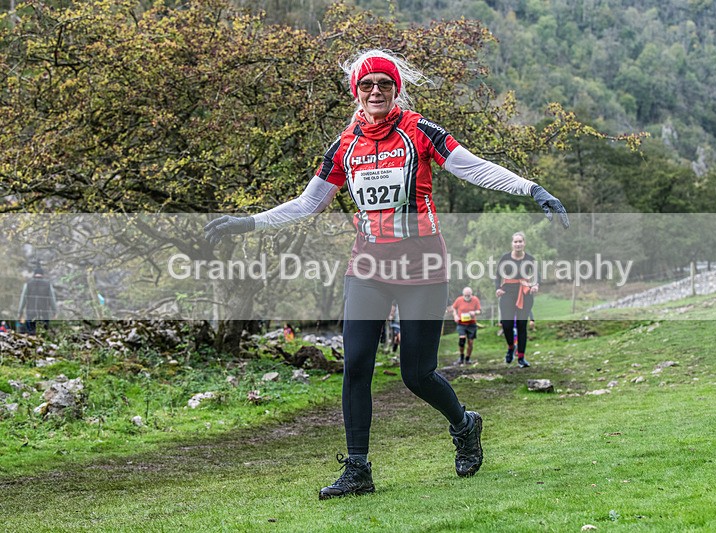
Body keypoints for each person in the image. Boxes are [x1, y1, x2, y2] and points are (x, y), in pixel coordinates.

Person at [204, 49, 569, 499]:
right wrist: (248, 222)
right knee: (356, 365)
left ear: (396, 89)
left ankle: (464, 423)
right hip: (369, 266)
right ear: (355, 92)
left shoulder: (420, 131)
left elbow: (473, 167)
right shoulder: (344, 146)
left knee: (417, 374)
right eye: (367, 85)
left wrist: (531, 188)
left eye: (385, 84)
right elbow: (308, 203)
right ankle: (358, 469)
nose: (375, 91)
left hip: (424, 267)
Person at [495, 232, 538, 368]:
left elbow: (537, 275)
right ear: (512, 243)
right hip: (507, 292)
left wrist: (536, 285)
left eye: (520, 241)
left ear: (524, 243)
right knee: (507, 325)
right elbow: (498, 275)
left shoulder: (530, 259)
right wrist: (498, 288)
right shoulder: (505, 258)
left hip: (525, 293)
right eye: (515, 242)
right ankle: (510, 347)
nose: (518, 244)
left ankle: (521, 358)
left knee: (521, 326)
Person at [17, 264, 57, 335]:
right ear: (43, 275)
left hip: (31, 313)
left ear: (34, 274)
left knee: (31, 333)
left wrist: (20, 313)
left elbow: (23, 299)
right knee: (44, 333)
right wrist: (54, 312)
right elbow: (52, 299)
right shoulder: (48, 285)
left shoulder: (28, 285)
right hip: (44, 313)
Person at [451, 286, 481, 365]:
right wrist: (455, 316)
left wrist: (474, 312)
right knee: (462, 340)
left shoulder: (475, 299)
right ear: (463, 294)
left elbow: (479, 311)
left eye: (469, 295)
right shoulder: (459, 300)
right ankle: (461, 358)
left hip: (471, 324)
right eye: (465, 295)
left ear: (471, 294)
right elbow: (453, 308)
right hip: (461, 323)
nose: (467, 297)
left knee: (470, 342)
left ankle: (467, 359)